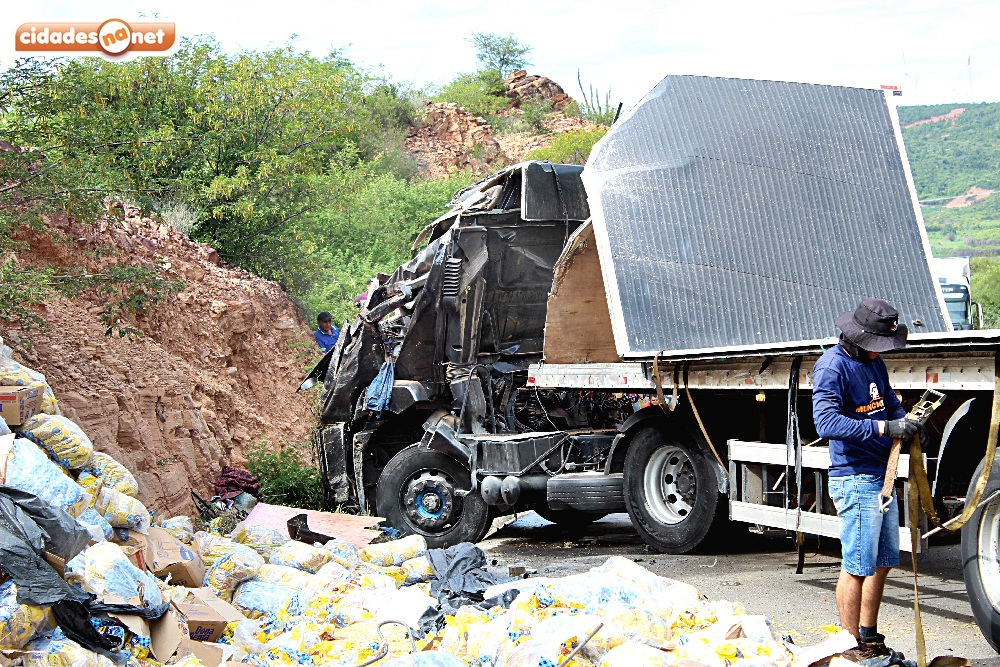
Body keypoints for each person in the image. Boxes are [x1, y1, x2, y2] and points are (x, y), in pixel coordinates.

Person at [812, 298, 922, 656]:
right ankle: (848, 644)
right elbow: (826, 423)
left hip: (881, 476)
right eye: (877, 346)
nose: (880, 353)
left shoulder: (874, 363)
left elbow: (889, 401)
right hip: (856, 477)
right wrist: (884, 427)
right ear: (857, 338)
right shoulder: (832, 367)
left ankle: (868, 634)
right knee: (857, 565)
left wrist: (906, 420)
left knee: (883, 561)